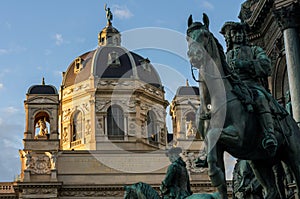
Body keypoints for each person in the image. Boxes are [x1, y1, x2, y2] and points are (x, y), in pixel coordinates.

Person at [220, 22, 281, 156]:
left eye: (240, 32)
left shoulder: (254, 50)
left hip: (251, 85)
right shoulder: (225, 57)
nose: (238, 35)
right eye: (235, 33)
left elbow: (266, 65)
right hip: (234, 88)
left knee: (259, 98)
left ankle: (269, 134)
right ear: (230, 37)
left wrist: (243, 64)